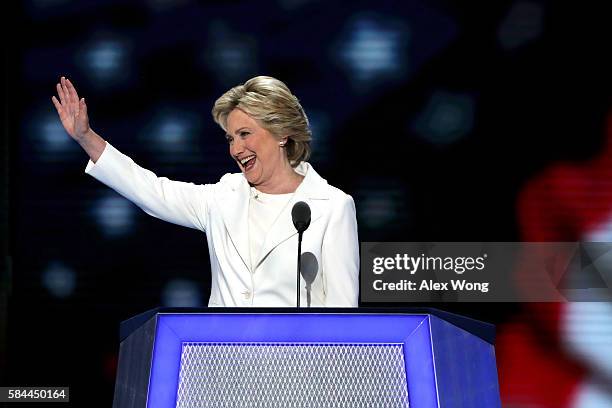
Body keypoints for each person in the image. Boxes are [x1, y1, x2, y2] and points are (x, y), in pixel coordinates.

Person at [52, 75, 360, 307]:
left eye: (245, 134)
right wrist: (85, 137)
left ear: (281, 134)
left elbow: (344, 312)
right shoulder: (223, 198)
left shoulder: (331, 206)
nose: (237, 149)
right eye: (230, 139)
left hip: (297, 378)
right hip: (223, 374)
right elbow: (152, 192)